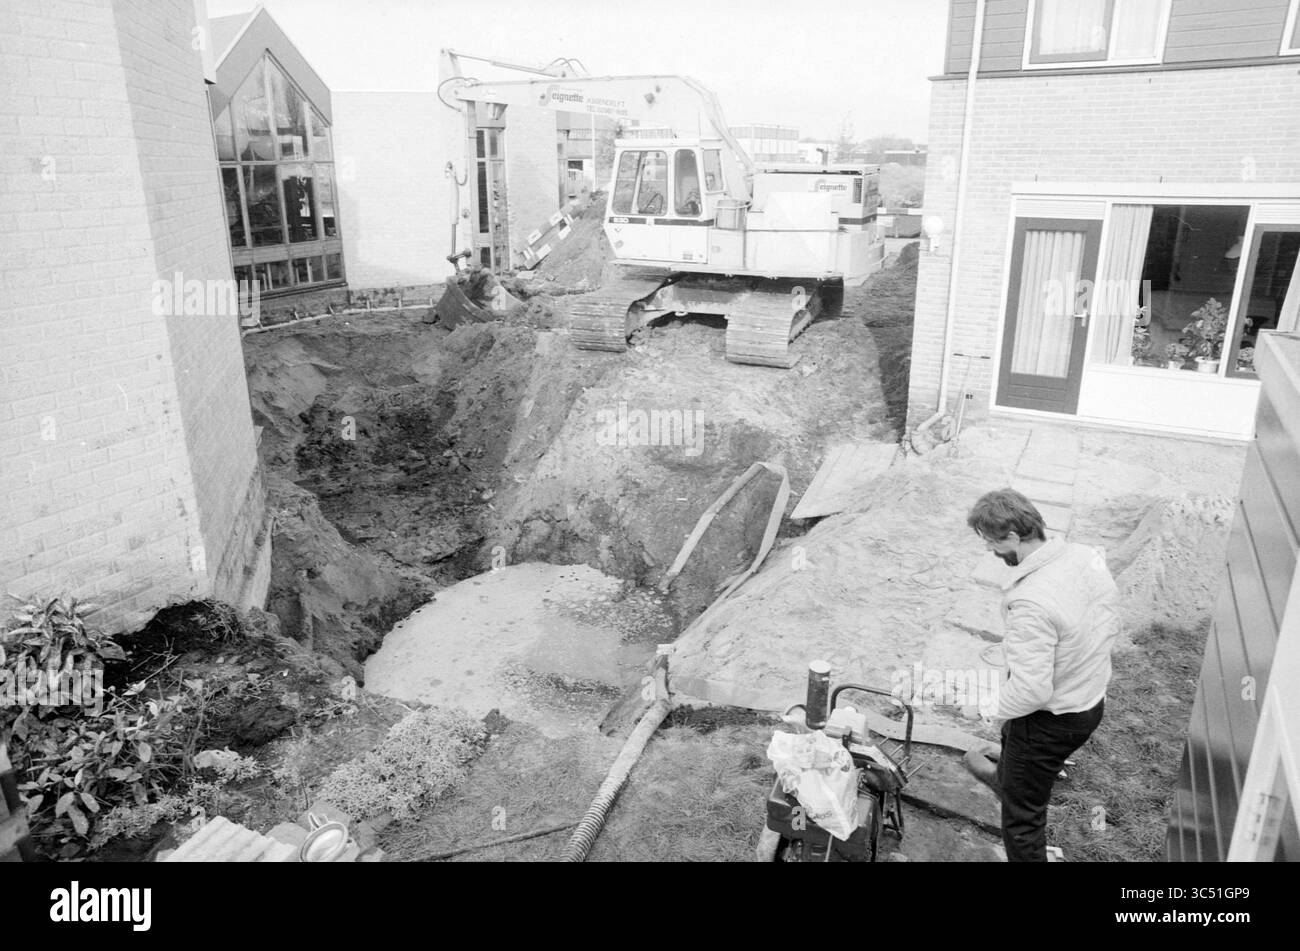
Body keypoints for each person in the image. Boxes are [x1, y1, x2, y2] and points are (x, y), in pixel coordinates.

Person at [966, 488, 1120, 862]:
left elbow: (1032, 691)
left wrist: (984, 708)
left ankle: (1019, 800)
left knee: (1022, 818)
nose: (989, 549)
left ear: (1014, 537)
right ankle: (1011, 775)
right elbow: (1107, 614)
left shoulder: (1031, 602)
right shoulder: (1086, 556)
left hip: (1050, 720)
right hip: (1090, 697)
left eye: (990, 541)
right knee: (1018, 756)